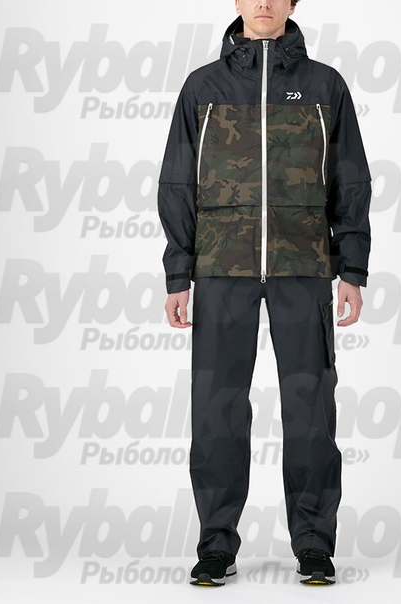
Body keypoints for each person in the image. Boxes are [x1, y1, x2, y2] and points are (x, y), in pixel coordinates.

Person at [157, 0, 372, 587]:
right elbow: (177, 180)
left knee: (311, 408)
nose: (263, 3)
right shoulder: (203, 87)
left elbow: (350, 177)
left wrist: (352, 269)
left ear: (293, 3)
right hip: (220, 267)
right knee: (217, 407)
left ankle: (314, 544)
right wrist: (179, 273)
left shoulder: (324, 86)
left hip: (304, 264)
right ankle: (216, 544)